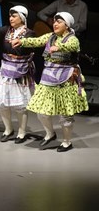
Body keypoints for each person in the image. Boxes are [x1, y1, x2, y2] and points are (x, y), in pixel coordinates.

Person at [11, 12, 89, 152]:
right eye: (54, 21)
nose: (55, 24)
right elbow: (36, 41)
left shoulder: (72, 38)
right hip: (48, 78)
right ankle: (50, 133)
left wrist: (60, 47)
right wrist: (22, 41)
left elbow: (72, 46)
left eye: (59, 22)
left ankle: (66, 141)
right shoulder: (50, 37)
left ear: (67, 25)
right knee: (41, 112)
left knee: (65, 114)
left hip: (65, 80)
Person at [0, 5, 36, 143]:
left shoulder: (29, 33)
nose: (11, 19)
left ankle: (22, 132)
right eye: (10, 16)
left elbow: (31, 47)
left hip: (20, 73)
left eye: (14, 16)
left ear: (21, 18)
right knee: (3, 103)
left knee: (20, 106)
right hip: (6, 71)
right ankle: (8, 129)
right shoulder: (7, 30)